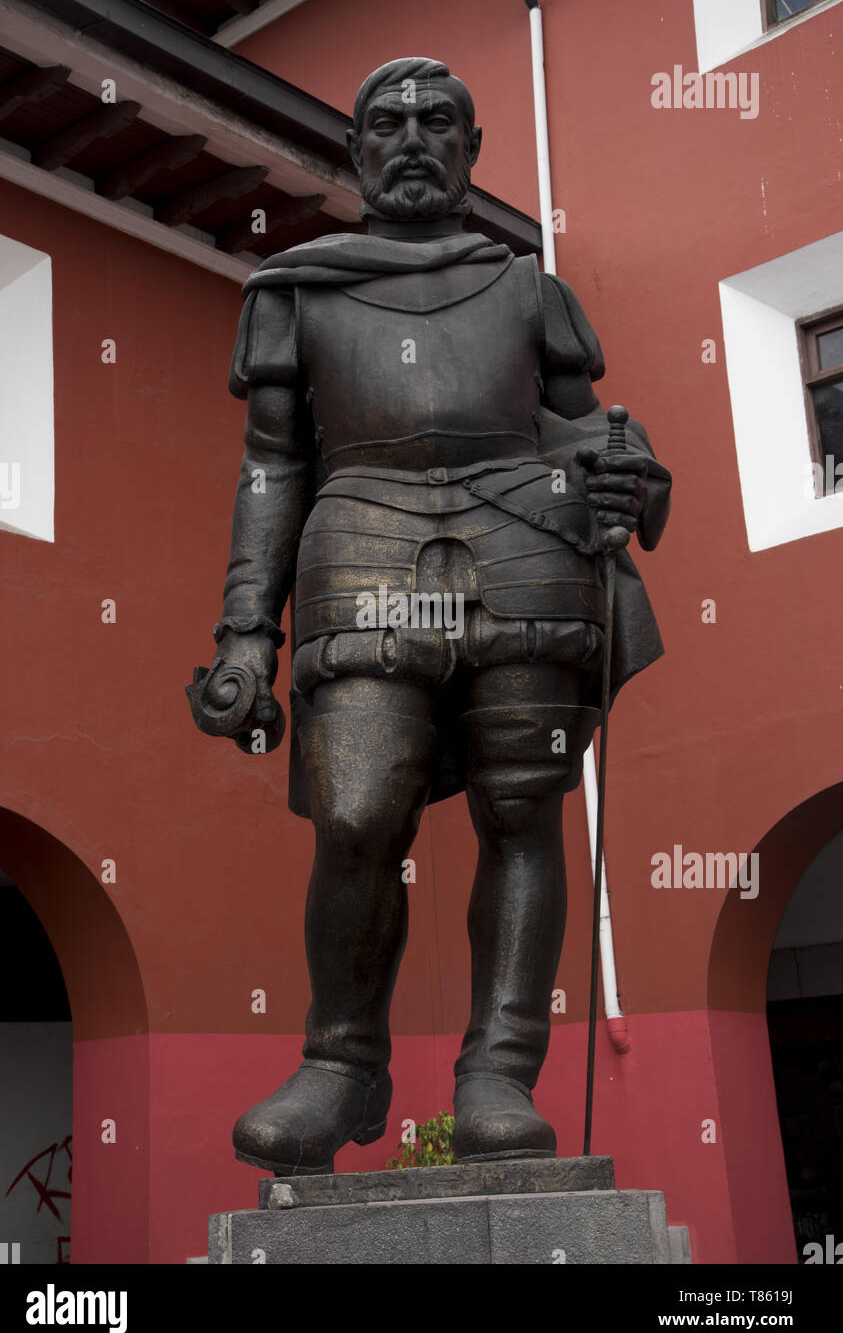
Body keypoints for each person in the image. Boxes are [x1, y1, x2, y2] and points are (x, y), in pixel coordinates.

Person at [189, 57, 671, 1174]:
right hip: (359, 533)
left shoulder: (527, 290)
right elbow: (270, 466)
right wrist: (244, 630)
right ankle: (342, 1061)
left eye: (437, 122)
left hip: (526, 542)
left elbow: (586, 437)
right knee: (356, 810)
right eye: (388, 123)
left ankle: (499, 1070)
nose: (412, 138)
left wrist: (625, 480)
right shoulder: (295, 291)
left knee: (522, 805)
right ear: (357, 153)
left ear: (472, 149)